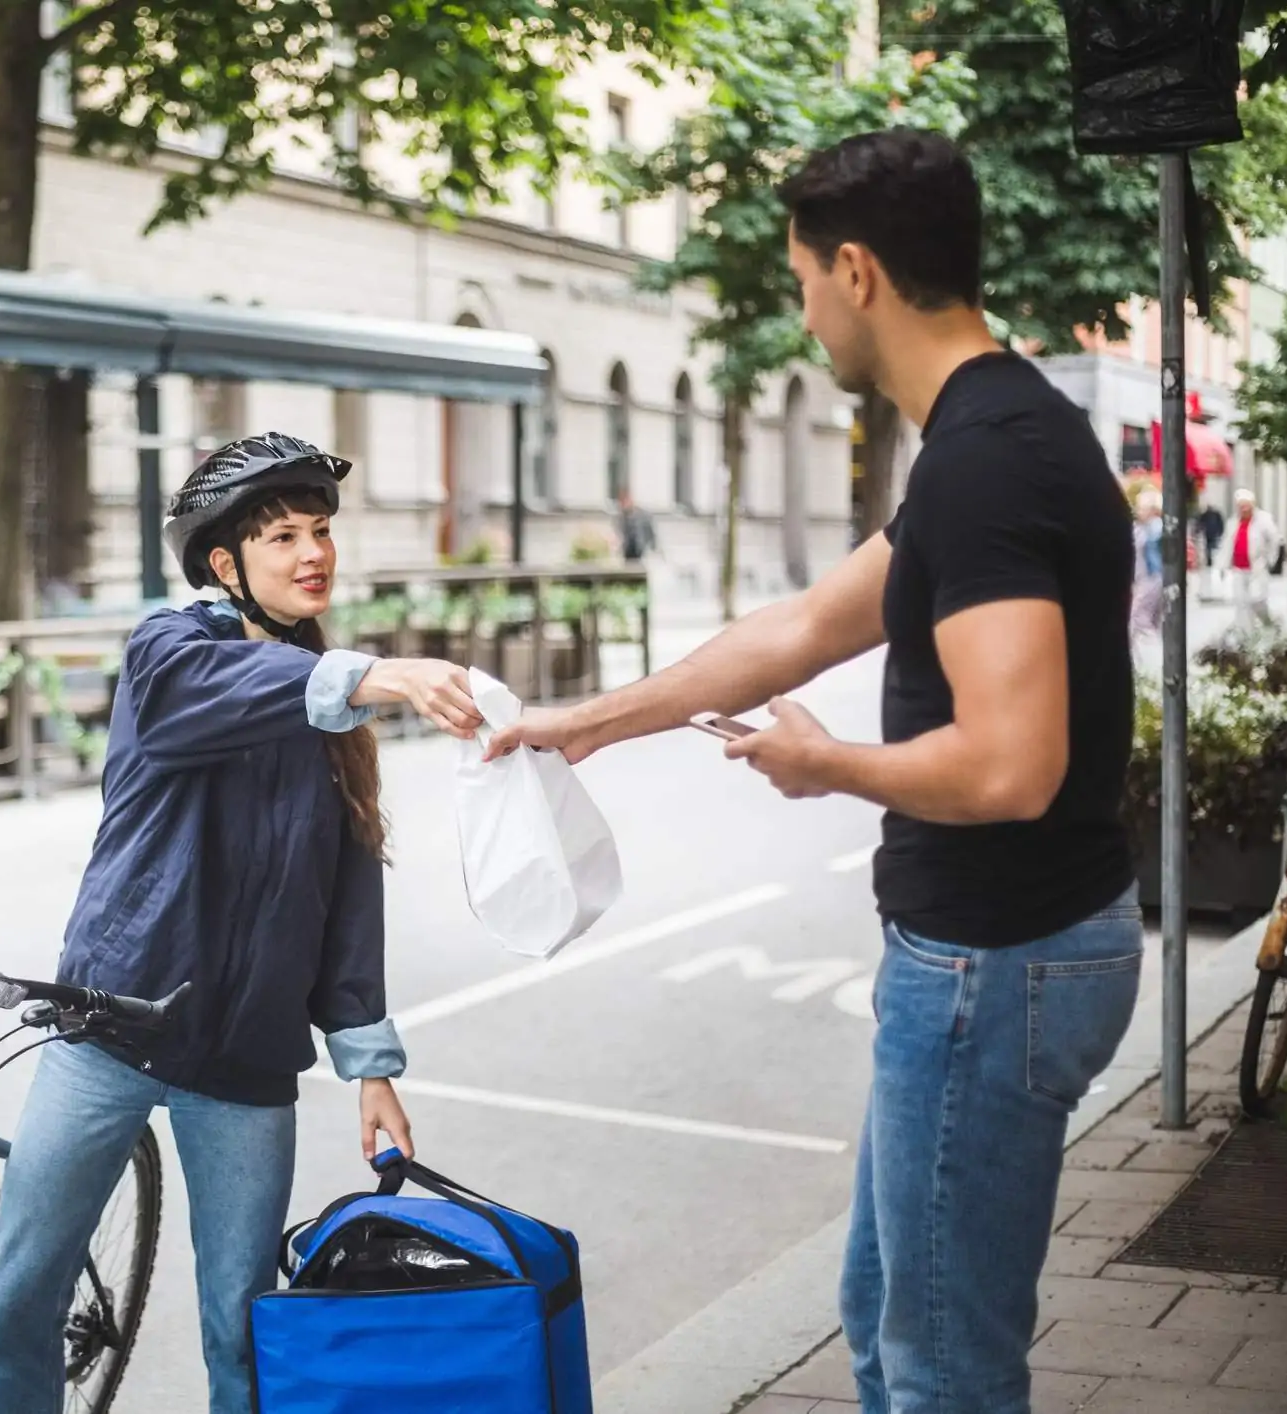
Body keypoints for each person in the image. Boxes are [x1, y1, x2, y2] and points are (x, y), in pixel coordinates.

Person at [490, 131, 1140, 1414]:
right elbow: (800, 626)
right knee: (881, 1314)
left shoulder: (989, 458)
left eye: (798, 281)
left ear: (856, 271)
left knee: (943, 1371)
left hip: (992, 965)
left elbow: (1014, 764)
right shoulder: (991, 434)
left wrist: (825, 762)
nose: (800, 315)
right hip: (994, 957)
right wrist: (593, 723)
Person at [0, 432, 485, 1414]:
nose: (314, 553)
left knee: (246, 1338)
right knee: (19, 1302)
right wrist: (370, 677)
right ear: (226, 564)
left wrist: (370, 1063)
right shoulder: (171, 652)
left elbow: (344, 905)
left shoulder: (330, 718)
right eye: (285, 534)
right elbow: (202, 702)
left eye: (323, 531)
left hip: (248, 1062)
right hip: (110, 1027)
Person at [1229, 488, 1283, 627]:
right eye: (1241, 506)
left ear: (1252, 505)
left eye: (1246, 505)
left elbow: (1275, 540)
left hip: (1257, 568)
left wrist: (1270, 560)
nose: (1244, 509)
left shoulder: (1263, 519)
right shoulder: (1233, 522)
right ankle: (1246, 635)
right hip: (1239, 569)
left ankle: (1269, 622)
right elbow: (1226, 544)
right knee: (1241, 603)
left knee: (1257, 600)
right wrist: (1221, 565)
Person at [1130, 488, 1164, 644]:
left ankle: (1152, 654)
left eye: (1142, 508)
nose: (1138, 512)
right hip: (1149, 576)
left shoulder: (1155, 527)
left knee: (1139, 616)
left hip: (1152, 576)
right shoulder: (1144, 527)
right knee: (1154, 619)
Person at [618, 492, 657, 565]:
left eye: (625, 502)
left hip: (639, 546)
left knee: (639, 563)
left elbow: (650, 530)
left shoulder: (642, 515)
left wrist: (653, 545)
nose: (624, 506)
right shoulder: (622, 516)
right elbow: (620, 530)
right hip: (628, 547)